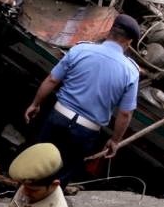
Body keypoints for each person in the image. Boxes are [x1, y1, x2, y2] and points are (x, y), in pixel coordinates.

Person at [24, 14, 141, 186]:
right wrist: (115, 140)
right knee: (59, 179)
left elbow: (52, 80)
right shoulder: (131, 71)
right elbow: (125, 113)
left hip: (58, 117)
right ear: (129, 42)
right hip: (86, 131)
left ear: (109, 31)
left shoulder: (81, 49)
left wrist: (35, 104)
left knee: (36, 167)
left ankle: (19, 203)